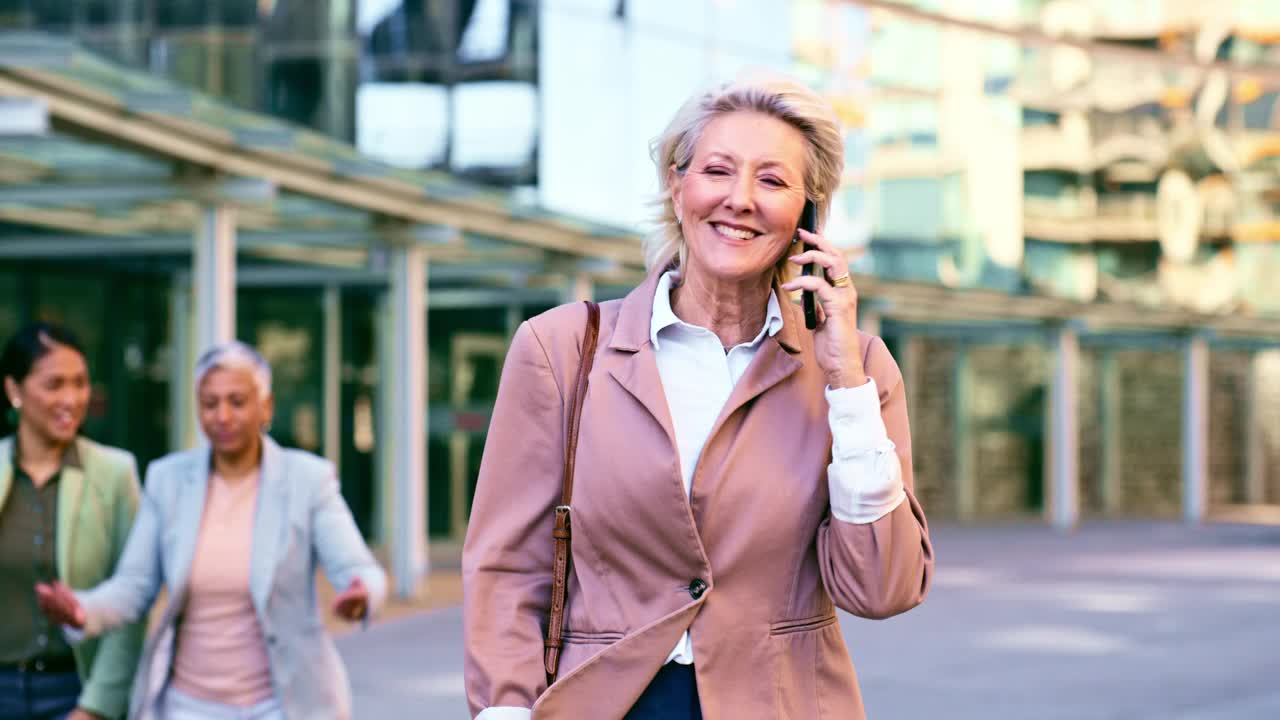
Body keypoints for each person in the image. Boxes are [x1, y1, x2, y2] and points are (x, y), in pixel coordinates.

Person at [463, 74, 934, 719]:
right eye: (718, 171)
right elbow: (507, 569)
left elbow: (882, 587)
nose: (740, 200)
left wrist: (845, 382)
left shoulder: (857, 370)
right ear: (676, 185)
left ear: (808, 214)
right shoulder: (561, 350)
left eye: (772, 181)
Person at [35, 341, 386, 720]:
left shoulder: (308, 480)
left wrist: (362, 591)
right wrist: (82, 610)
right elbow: (135, 585)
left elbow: (356, 566)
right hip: (188, 706)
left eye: (237, 401)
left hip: (282, 705)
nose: (222, 416)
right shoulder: (167, 480)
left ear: (265, 407)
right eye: (210, 403)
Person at [0, 323, 144, 720]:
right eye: (55, 384)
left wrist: (96, 708)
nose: (71, 398)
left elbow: (133, 600)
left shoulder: (115, 474)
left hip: (75, 691)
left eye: (80, 383)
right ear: (14, 390)